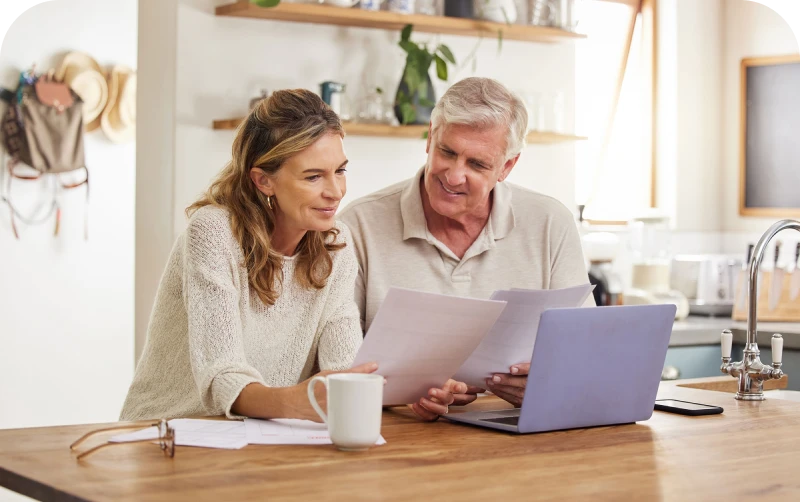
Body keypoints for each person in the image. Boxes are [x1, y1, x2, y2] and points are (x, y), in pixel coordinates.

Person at [120, 89, 456, 422]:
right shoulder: (213, 234)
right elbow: (222, 375)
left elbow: (346, 365)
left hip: (264, 439)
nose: (336, 191)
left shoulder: (335, 244)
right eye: (313, 176)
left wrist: (403, 395)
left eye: (339, 171)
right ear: (263, 180)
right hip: (166, 433)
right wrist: (296, 402)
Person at [339, 77, 593, 412]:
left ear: (506, 167)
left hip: (515, 429)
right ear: (430, 138)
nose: (454, 175)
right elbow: (338, 363)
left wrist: (551, 378)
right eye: (447, 152)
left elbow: (585, 348)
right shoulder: (358, 224)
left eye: (477, 164)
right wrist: (402, 393)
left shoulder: (550, 223)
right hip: (397, 433)